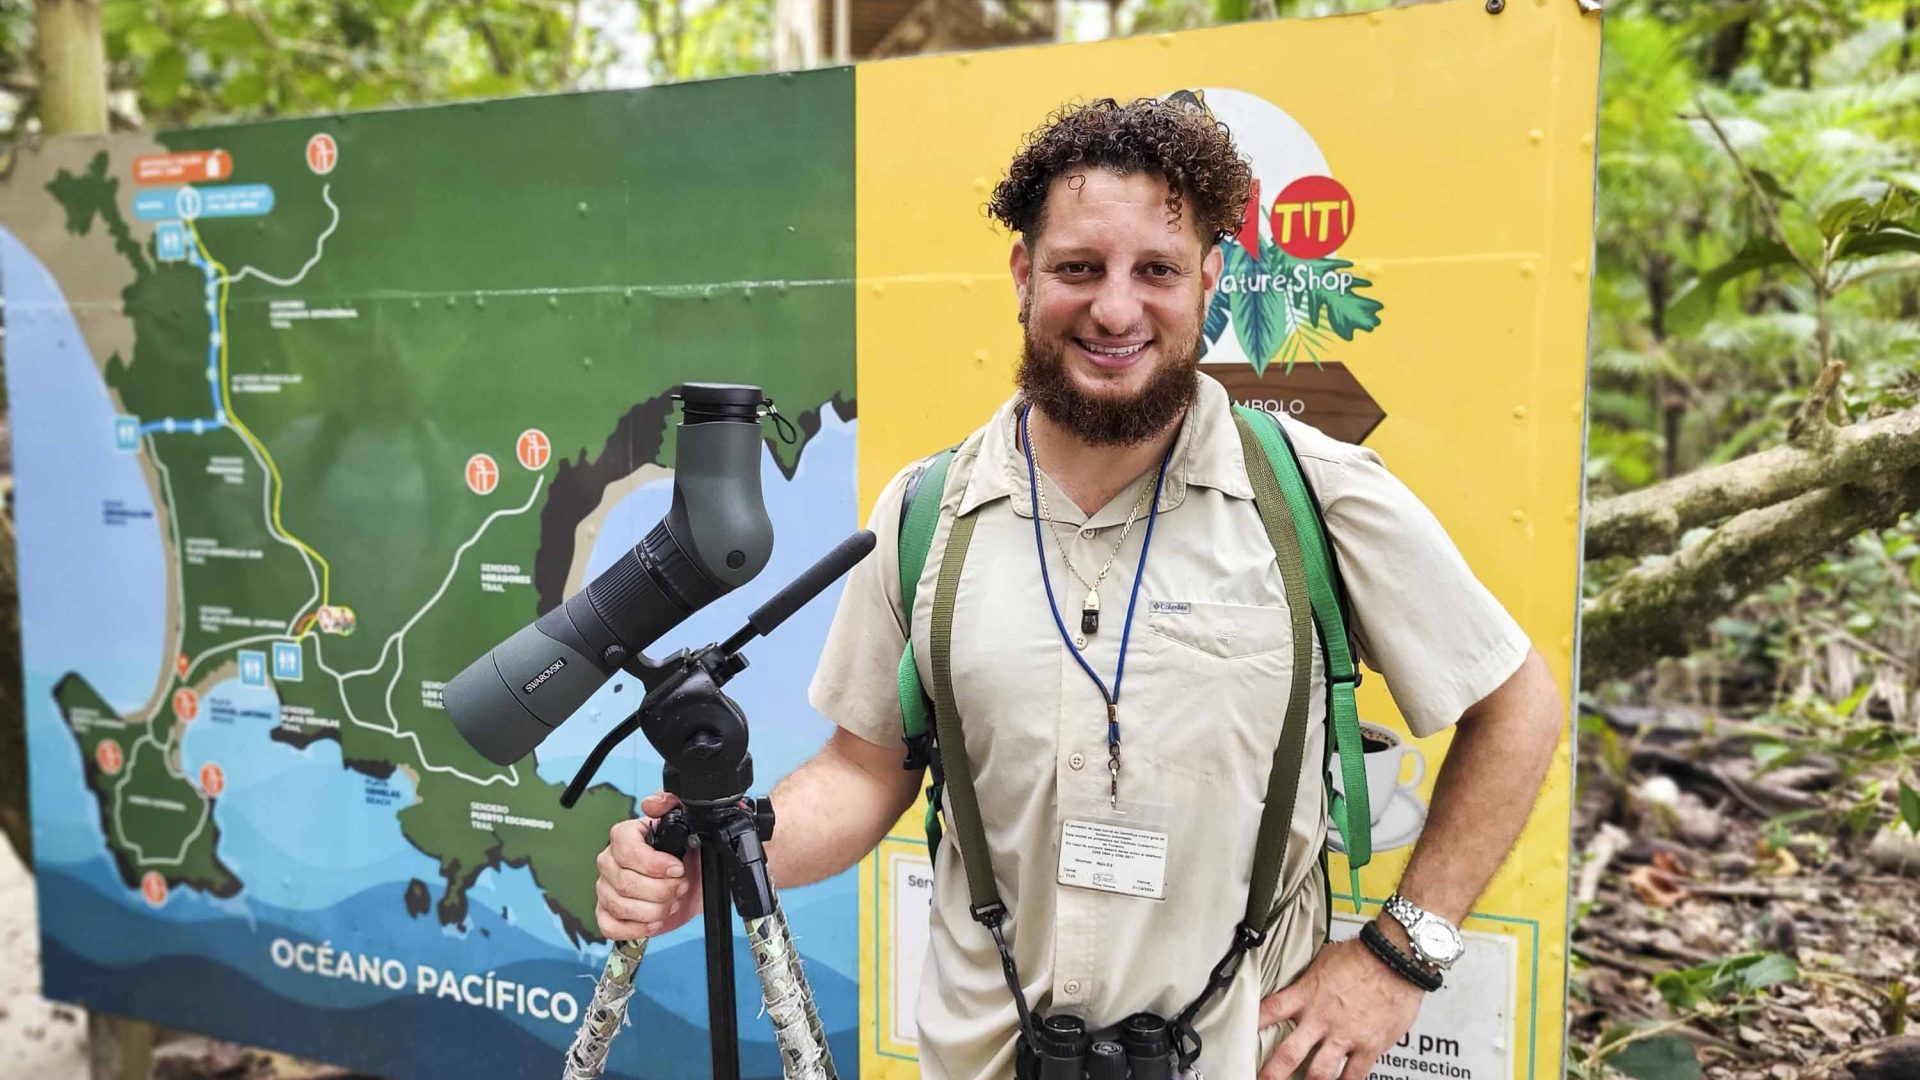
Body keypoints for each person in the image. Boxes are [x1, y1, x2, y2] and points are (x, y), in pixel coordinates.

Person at [595, 96, 1564, 1080]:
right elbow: (861, 769)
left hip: (1244, 1055)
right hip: (987, 1056)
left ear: (1210, 282)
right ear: (1023, 274)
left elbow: (1517, 704)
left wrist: (1405, 954)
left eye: (1157, 270)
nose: (1114, 308)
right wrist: (721, 854)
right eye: (1077, 268)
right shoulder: (928, 513)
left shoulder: (1315, 494)